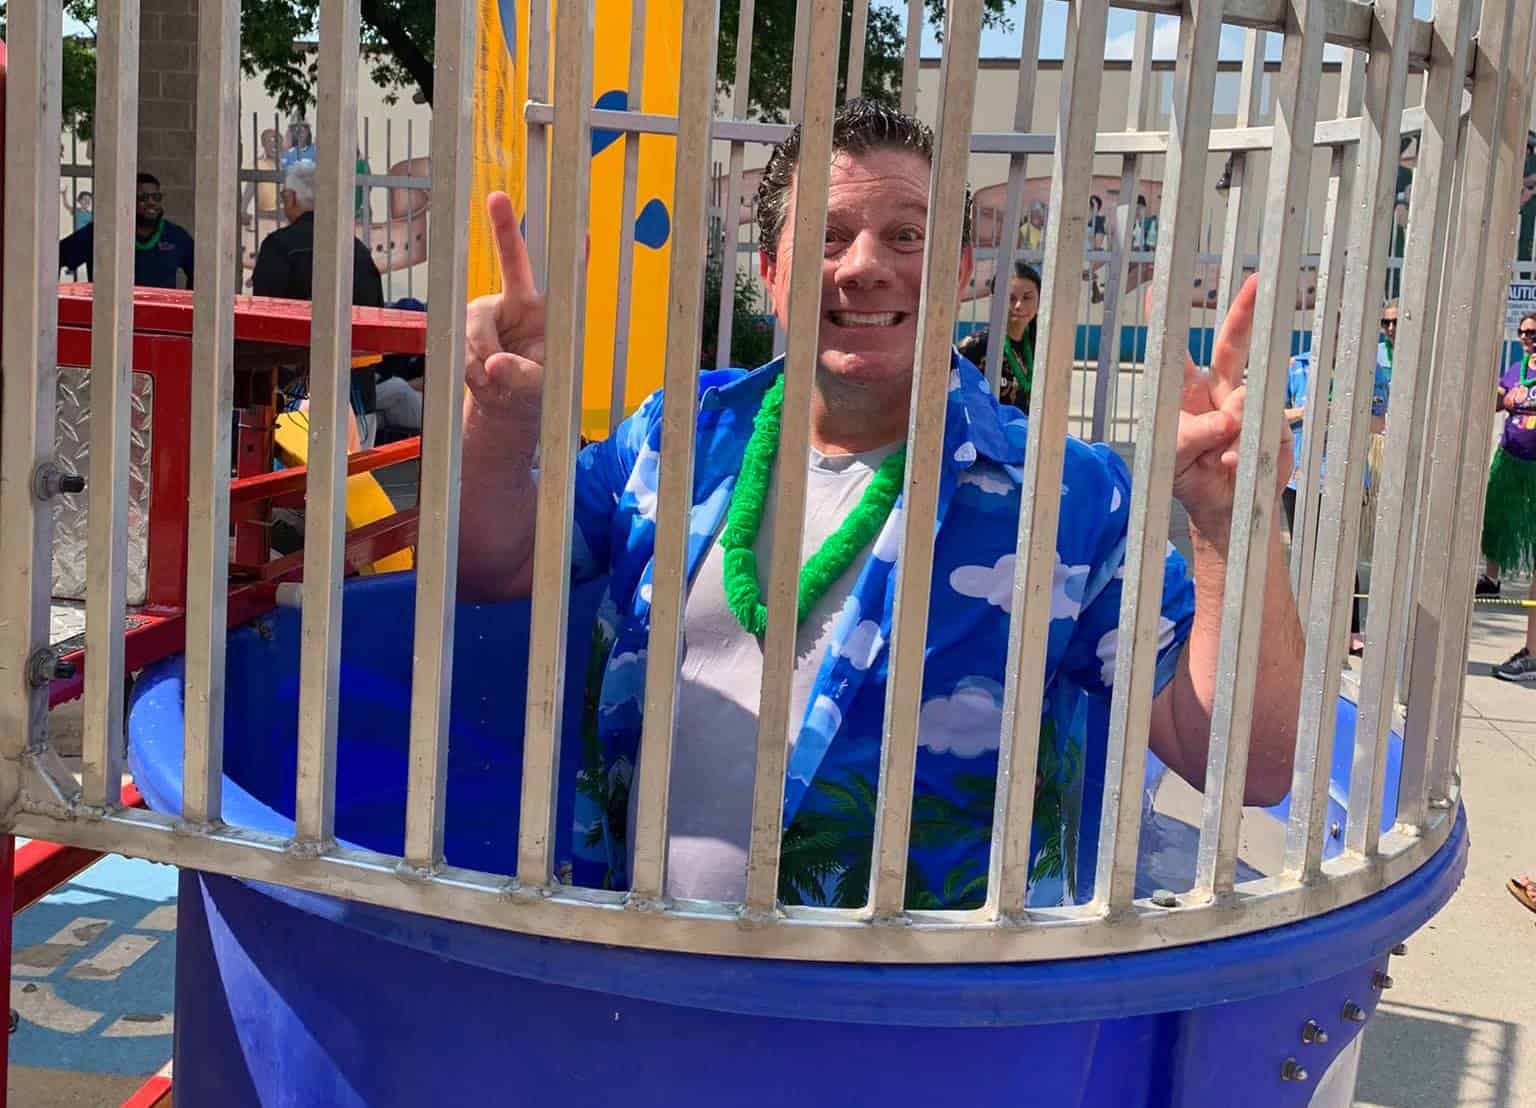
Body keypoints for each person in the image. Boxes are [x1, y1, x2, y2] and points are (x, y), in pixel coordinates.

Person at [456, 100, 1303, 909]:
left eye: (907, 235)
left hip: (916, 1032)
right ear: (770, 273)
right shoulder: (676, 440)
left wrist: (1232, 527)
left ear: (960, 272)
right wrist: (502, 417)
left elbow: (1244, 766)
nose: (865, 266)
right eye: (827, 236)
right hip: (647, 988)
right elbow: (495, 565)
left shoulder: (1065, 498)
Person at [252, 162, 386, 443]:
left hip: (294, 400)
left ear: (290, 198)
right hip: (358, 395)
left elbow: (263, 324)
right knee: (355, 481)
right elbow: (376, 316)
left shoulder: (279, 247)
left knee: (290, 483)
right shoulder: (356, 250)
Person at [1282, 345, 1365, 652]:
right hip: (1300, 477)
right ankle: (1302, 624)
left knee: (1343, 553)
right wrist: (1309, 412)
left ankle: (1350, 630)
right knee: (1306, 552)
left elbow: (1379, 418)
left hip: (1345, 475)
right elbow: (1274, 414)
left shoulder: (1364, 368)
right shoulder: (1295, 366)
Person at [1479, 311, 1536, 682]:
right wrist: (1501, 395)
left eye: (1533, 331)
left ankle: (1530, 653)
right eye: (1523, 332)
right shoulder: (1516, 369)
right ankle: (1491, 578)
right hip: (1510, 459)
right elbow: (1497, 402)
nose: (1528, 337)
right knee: (1495, 520)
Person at [58, 173, 194, 289]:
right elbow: (55, 258)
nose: (151, 203)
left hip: (161, 318)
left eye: (156, 197)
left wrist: (189, 309)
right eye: (143, 198)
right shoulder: (100, 234)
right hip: (110, 317)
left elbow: (200, 273)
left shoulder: (177, 236)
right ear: (127, 200)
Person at [955, 261, 1040, 411]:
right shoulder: (976, 346)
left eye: (1027, 298)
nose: (1019, 305)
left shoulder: (1040, 347)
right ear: (995, 300)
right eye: (1011, 298)